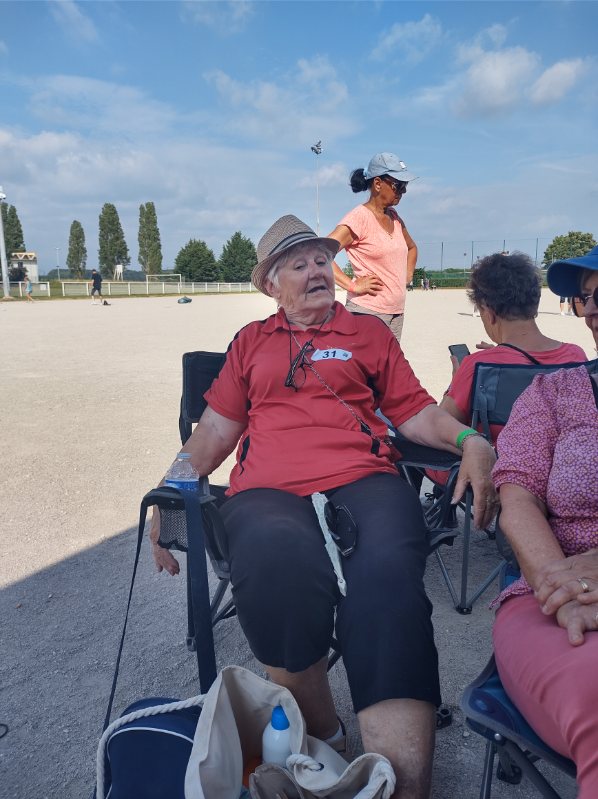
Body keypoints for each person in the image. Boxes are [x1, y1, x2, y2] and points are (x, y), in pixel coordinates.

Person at [150, 215, 498, 799]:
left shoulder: (368, 333)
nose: (316, 269)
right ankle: (325, 735)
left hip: (364, 477)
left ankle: (400, 785)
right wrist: (170, 491)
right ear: (270, 284)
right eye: (298, 262)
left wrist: (469, 439)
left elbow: (414, 412)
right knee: (269, 558)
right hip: (268, 490)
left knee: (387, 579)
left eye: (320, 259)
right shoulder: (250, 343)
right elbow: (211, 432)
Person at [491, 244, 598, 798]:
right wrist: (567, 587)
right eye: (588, 298)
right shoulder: (553, 391)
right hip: (554, 600)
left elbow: (454, 407)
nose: (594, 308)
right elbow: (517, 498)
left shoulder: (479, 365)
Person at [440, 252, 586, 446]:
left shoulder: (477, 366)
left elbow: (440, 425)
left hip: (496, 470)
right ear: (535, 305)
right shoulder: (575, 356)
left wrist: (457, 381)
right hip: (560, 468)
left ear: (488, 313)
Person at [326, 153, 418, 342]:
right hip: (367, 313)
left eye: (405, 186)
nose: (403, 191)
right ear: (377, 184)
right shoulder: (358, 218)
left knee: (388, 369)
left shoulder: (394, 217)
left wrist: (407, 274)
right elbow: (319, 255)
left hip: (396, 313)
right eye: (398, 185)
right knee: (366, 370)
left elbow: (412, 248)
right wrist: (351, 285)